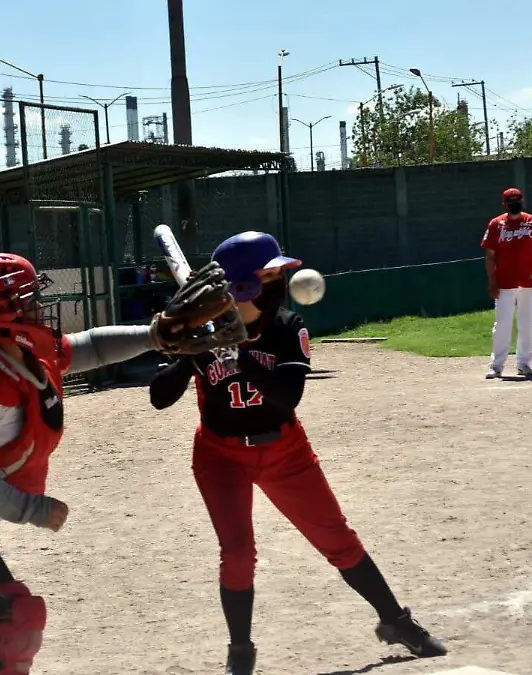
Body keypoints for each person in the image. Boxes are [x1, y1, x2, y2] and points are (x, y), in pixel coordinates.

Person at [0, 251, 238, 675]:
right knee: (5, 630)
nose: (38, 306)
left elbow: (91, 345)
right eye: (24, 299)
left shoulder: (21, 354)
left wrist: (157, 335)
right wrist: (30, 509)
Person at [148, 231, 447, 675]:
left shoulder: (288, 327)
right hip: (219, 455)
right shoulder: (204, 332)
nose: (278, 282)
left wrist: (240, 352)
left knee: (337, 539)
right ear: (243, 285)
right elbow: (159, 397)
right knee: (237, 553)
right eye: (270, 274)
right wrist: (189, 345)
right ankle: (241, 653)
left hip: (283, 449)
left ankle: (395, 621)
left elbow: (287, 396)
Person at [481, 187, 532, 379]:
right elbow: (490, 256)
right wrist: (492, 282)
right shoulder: (496, 224)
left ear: (522, 201)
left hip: (529, 280)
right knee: (502, 323)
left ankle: (524, 363)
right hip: (505, 282)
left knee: (527, 323)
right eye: (511, 201)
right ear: (504, 204)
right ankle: (496, 365)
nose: (514, 204)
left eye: (517, 200)